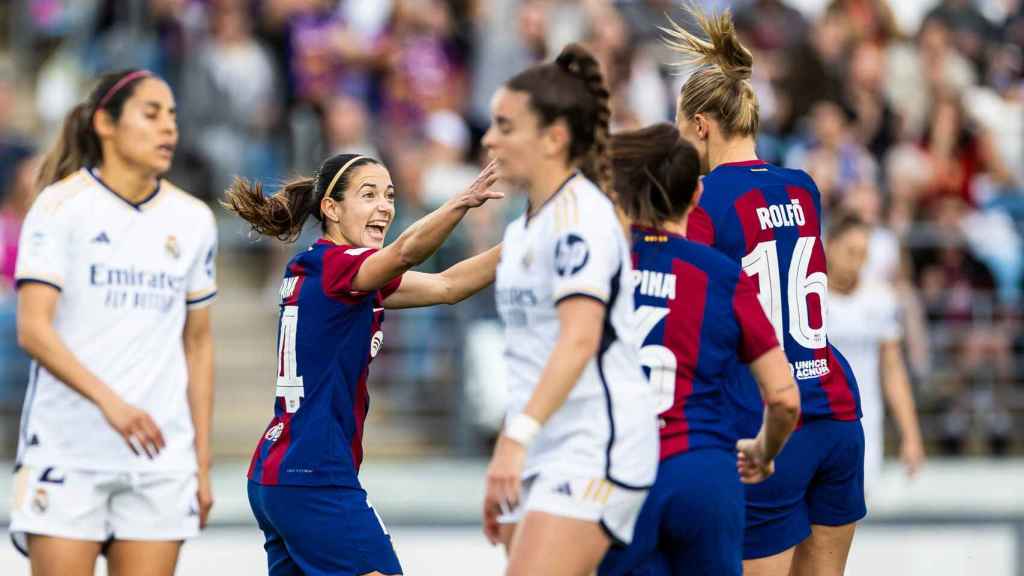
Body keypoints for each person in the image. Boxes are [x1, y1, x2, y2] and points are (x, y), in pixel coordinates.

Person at [228, 152, 502, 576]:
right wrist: (461, 202)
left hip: (277, 474)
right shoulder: (339, 266)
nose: (384, 206)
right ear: (331, 208)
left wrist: (525, 243)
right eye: (368, 194)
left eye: (389, 195)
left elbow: (448, 285)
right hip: (315, 475)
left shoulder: (325, 270)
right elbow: (407, 252)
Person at [664, 7, 866, 576]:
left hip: (765, 423)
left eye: (682, 129)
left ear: (702, 124)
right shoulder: (803, 187)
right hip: (836, 409)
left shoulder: (702, 200)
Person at [11, 69, 217, 576]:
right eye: (151, 114)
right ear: (106, 122)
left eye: (172, 116)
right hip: (68, 450)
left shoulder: (193, 220)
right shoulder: (59, 206)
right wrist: (113, 405)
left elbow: (199, 345)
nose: (168, 128)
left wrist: (201, 462)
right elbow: (33, 329)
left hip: (161, 458)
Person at [480, 43, 659, 576]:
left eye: (506, 126)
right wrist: (512, 453)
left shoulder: (582, 218)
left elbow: (579, 339)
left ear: (555, 137)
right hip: (545, 447)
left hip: (594, 445)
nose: (489, 139)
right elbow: (528, 355)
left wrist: (515, 440)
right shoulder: (523, 229)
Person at [598, 123, 801, 576]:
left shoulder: (597, 270)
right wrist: (763, 452)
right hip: (703, 474)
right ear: (695, 197)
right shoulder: (722, 276)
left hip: (620, 473)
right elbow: (785, 399)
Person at [825, 214, 925, 495]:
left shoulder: (880, 298)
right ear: (829, 246)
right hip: (816, 419)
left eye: (863, 254)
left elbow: (892, 370)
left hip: (864, 423)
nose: (857, 261)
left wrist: (911, 434)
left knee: (853, 514)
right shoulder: (807, 297)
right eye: (851, 252)